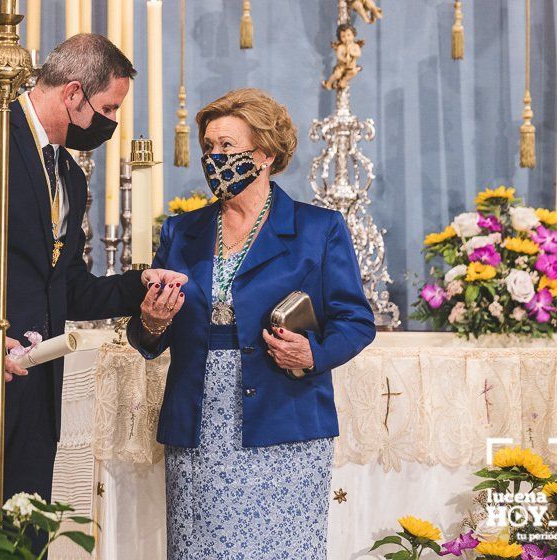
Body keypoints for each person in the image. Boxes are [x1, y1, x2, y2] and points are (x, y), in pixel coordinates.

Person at [0, 33, 185, 540]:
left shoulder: (67, 172)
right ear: (73, 93)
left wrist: (140, 285)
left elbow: (64, 286)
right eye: (108, 108)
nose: (110, 123)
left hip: (32, 386)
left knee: (25, 538)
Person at [127, 88, 376, 559]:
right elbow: (146, 337)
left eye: (226, 147)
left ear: (264, 155)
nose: (213, 158)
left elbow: (356, 320)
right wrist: (152, 322)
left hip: (284, 419)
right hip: (200, 423)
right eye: (208, 148)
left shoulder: (318, 229)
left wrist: (314, 353)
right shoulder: (183, 231)